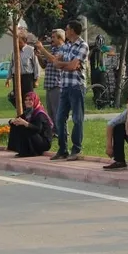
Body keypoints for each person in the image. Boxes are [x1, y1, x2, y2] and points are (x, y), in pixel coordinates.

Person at [35, 20, 89, 161]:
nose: (66, 31)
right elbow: (55, 63)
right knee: (59, 119)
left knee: (77, 118)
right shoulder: (66, 46)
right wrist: (67, 65)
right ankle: (62, 149)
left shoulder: (83, 46)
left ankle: (76, 149)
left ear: (72, 30)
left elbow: (72, 66)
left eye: (67, 28)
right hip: (64, 86)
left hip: (76, 86)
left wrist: (66, 65)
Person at [7, 92, 54, 158]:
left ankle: (29, 152)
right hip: (36, 138)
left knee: (24, 128)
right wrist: (12, 121)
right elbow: (19, 119)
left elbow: (38, 129)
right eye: (26, 100)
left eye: (30, 100)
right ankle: (22, 151)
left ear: (35, 101)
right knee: (17, 126)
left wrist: (25, 123)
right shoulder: (28, 112)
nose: (27, 102)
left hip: (44, 142)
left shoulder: (40, 113)